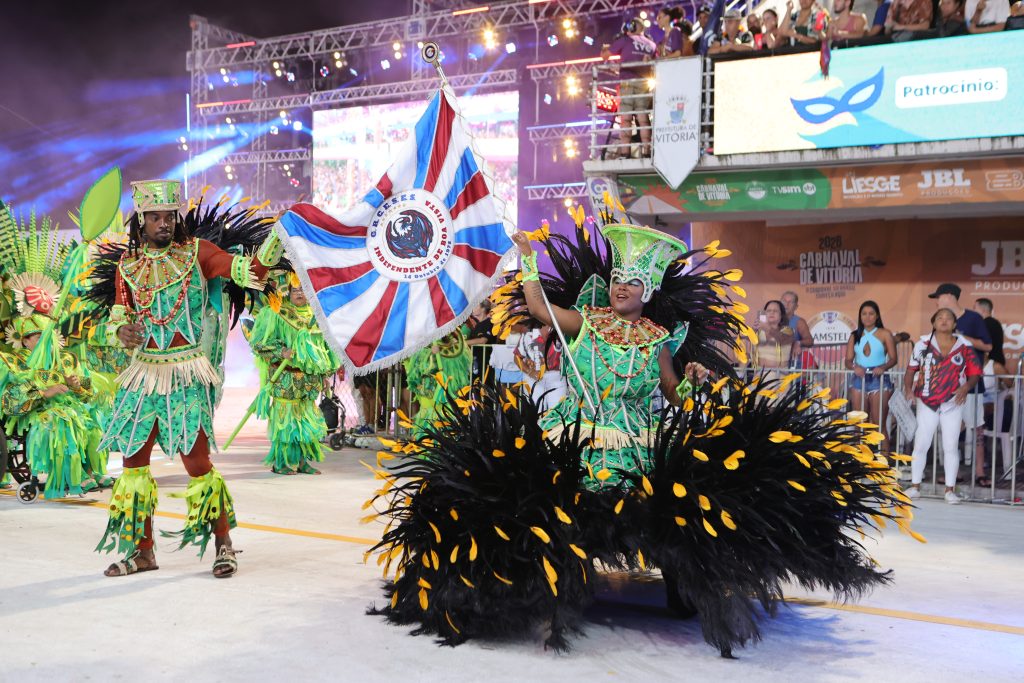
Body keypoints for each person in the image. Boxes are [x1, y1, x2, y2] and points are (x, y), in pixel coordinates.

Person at [367, 218, 917, 657]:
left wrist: (697, 383)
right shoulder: (585, 320)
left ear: (648, 290)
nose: (622, 287)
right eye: (618, 281)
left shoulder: (657, 338)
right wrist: (527, 259)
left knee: (661, 516)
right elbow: (537, 309)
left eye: (632, 283)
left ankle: (684, 581)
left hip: (638, 437)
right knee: (552, 510)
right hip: (576, 431)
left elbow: (671, 393)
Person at [95, 179, 277, 578]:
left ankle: (224, 544)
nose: (163, 223)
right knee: (132, 465)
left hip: (186, 372)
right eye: (155, 217)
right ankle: (144, 552)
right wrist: (120, 333)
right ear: (141, 221)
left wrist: (276, 243)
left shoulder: (198, 253)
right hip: (142, 374)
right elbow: (118, 321)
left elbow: (248, 271)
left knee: (197, 462)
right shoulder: (127, 268)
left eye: (169, 216)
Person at [249, 270, 339, 475]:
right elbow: (259, 343)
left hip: (308, 382)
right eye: (295, 289)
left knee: (306, 419)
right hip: (285, 378)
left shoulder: (318, 318)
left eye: (303, 289)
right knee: (286, 421)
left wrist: (324, 374)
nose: (299, 293)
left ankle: (301, 462)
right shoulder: (276, 314)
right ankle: (281, 462)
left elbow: (325, 350)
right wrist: (282, 351)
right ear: (287, 291)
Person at [903, 308, 982, 504]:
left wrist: (966, 387)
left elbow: (974, 373)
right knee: (921, 444)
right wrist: (908, 390)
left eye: (949, 318)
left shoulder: (964, 346)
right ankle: (914, 487)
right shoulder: (922, 344)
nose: (944, 321)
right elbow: (910, 370)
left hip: (953, 403)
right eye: (940, 317)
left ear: (955, 324)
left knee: (950, 446)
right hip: (927, 401)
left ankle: (949, 491)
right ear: (933, 322)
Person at [929, 283, 990, 479]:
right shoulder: (939, 321)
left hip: (971, 385)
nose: (937, 302)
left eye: (938, 297)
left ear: (948, 296)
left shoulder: (973, 318)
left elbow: (988, 345)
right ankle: (950, 474)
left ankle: (980, 473)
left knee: (977, 427)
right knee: (951, 429)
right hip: (947, 387)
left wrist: (963, 338)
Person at [844, 301, 897, 449]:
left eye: (871, 314)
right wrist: (855, 366)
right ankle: (858, 464)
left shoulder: (885, 333)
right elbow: (847, 361)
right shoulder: (854, 335)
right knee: (859, 425)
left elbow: (894, 359)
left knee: (879, 425)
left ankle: (884, 464)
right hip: (858, 380)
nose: (867, 317)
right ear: (860, 316)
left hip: (879, 380)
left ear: (877, 316)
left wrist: (883, 366)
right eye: (864, 314)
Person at [601, 19, 657, 158]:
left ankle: (625, 152)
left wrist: (605, 47)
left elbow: (605, 55)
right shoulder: (651, 44)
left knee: (626, 119)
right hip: (644, 84)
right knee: (643, 118)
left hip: (627, 83)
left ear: (631, 27)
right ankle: (647, 151)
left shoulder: (626, 40)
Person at [752, 300, 796, 371]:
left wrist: (768, 328)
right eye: (768, 311)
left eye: (775, 311)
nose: (771, 313)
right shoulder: (759, 331)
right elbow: (745, 344)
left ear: (781, 315)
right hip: (758, 374)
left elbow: (783, 339)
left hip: (779, 375)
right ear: (764, 314)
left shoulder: (788, 331)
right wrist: (752, 330)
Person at [974, 297, 1004, 365]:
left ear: (983, 310)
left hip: (990, 365)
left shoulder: (986, 324)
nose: (973, 311)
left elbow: (985, 346)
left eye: (975, 308)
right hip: (994, 362)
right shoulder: (994, 323)